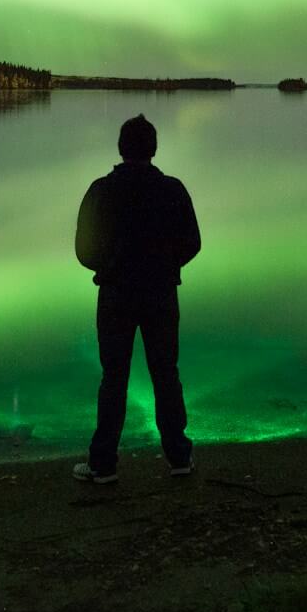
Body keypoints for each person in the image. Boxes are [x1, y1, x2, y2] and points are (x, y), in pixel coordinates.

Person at [71, 113, 201, 484]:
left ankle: (103, 464)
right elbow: (193, 242)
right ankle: (178, 457)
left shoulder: (101, 190)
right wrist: (166, 264)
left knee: (114, 377)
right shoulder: (173, 189)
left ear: (121, 148)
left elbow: (84, 250)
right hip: (161, 294)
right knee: (166, 374)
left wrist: (108, 267)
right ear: (153, 149)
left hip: (115, 294)